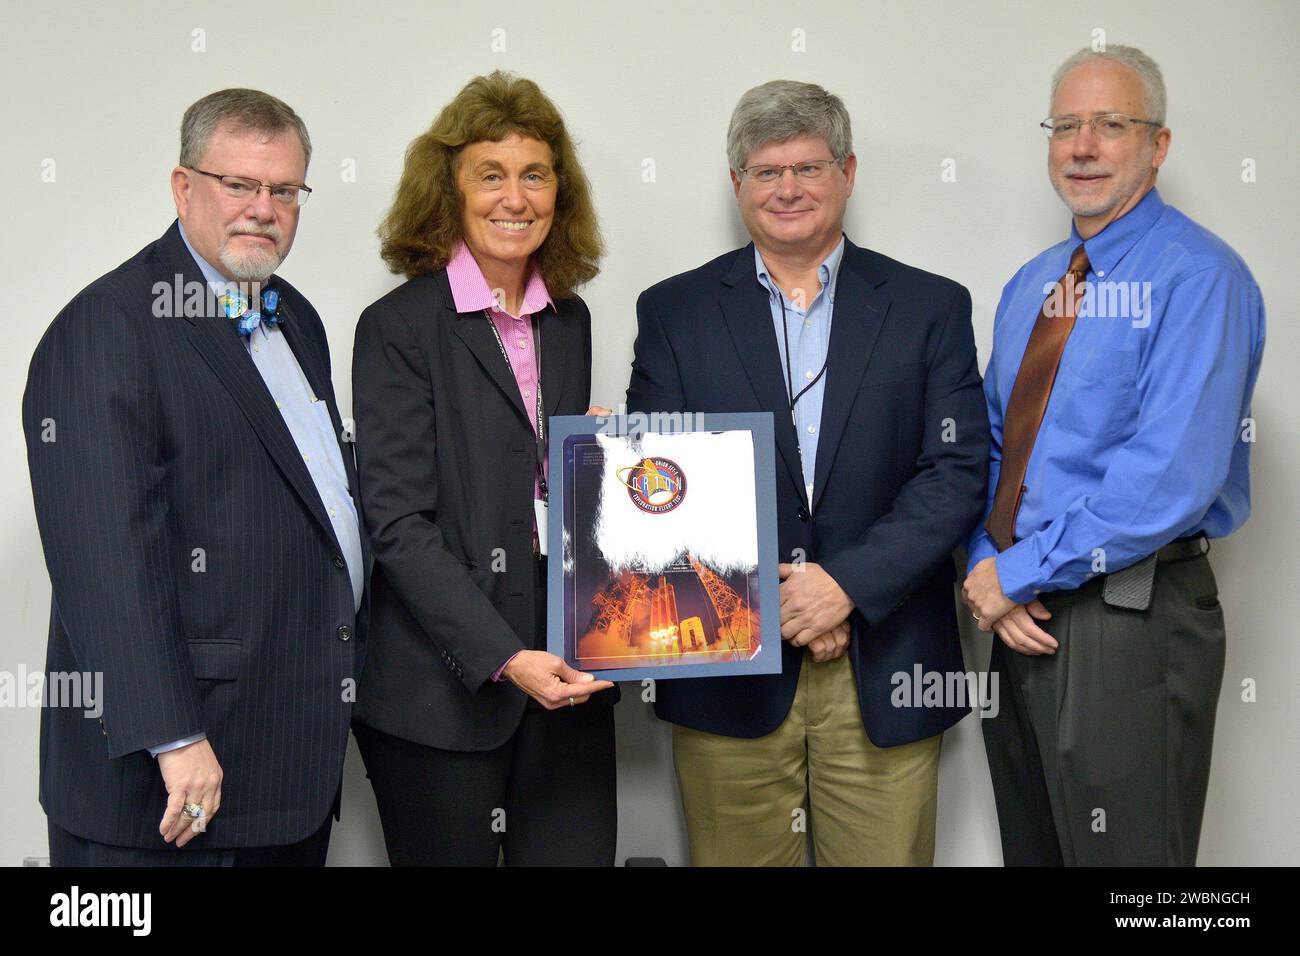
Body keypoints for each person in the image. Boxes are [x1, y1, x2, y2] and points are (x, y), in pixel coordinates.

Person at [625, 80, 989, 866]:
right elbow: (662, 491)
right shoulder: (674, 313)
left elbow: (955, 472)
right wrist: (782, 604)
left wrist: (844, 587)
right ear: (737, 186)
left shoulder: (931, 307)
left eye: (809, 167)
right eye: (765, 171)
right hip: (726, 674)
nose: (787, 188)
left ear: (848, 173)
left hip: (886, 666)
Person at [23, 89, 367, 866]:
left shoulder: (296, 317)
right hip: (171, 788)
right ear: (184, 188)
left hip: (283, 768)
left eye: (284, 190)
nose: (263, 209)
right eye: (238, 185)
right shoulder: (108, 328)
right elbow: (102, 560)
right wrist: (173, 738)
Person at [962, 45, 1265, 866]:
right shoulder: (1033, 285)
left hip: (1130, 616)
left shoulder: (1201, 279)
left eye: (1110, 124)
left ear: (1158, 145)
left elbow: (1170, 478)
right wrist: (990, 564)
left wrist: (1015, 574)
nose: (1083, 146)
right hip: (1019, 617)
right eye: (1065, 126)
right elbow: (994, 443)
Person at [351, 71, 617, 866]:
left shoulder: (570, 319)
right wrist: (504, 656)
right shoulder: (398, 326)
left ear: (558, 192)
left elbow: (543, 488)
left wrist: (605, 464)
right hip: (443, 694)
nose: (515, 197)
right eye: (490, 175)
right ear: (450, 193)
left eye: (535, 174)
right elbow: (396, 523)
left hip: (568, 678)